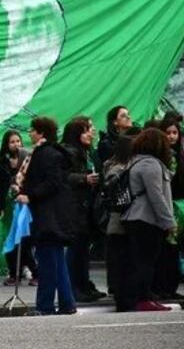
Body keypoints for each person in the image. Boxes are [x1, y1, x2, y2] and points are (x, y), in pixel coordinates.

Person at [17, 116, 77, 316]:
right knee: (58, 262)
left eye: (32, 130)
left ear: (41, 132)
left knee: (47, 263)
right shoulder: (54, 152)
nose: (30, 133)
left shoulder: (45, 154)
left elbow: (52, 182)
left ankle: (45, 306)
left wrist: (30, 195)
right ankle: (67, 303)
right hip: (55, 215)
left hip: (46, 216)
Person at [118, 127, 177, 312]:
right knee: (145, 262)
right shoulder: (150, 164)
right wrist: (169, 222)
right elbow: (156, 196)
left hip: (137, 217)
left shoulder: (137, 162)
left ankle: (144, 297)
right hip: (146, 219)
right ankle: (142, 298)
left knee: (141, 261)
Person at [61, 117, 103, 302]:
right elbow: (62, 177)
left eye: (91, 128)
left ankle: (84, 286)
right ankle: (73, 288)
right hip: (73, 208)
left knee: (84, 251)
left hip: (87, 207)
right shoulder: (68, 152)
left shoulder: (89, 152)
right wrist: (83, 179)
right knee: (75, 250)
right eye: (87, 129)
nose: (91, 133)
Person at [0, 129, 37, 286]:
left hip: (24, 204)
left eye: (18, 141)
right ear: (6, 144)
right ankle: (13, 273)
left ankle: (34, 271)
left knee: (24, 238)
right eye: (12, 142)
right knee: (10, 238)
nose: (16, 144)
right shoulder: (1, 162)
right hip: (8, 206)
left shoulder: (27, 159)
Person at [153, 117, 184, 301]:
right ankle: (160, 287)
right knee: (163, 250)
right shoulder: (159, 157)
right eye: (168, 133)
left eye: (175, 132)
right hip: (163, 208)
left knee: (174, 249)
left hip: (177, 207)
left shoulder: (181, 155)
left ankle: (170, 286)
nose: (172, 136)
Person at [102, 134, 133, 303]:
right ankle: (117, 287)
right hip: (119, 215)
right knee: (119, 253)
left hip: (116, 215)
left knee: (116, 253)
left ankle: (115, 286)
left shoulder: (110, 165)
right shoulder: (120, 168)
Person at [95, 105, 132, 171]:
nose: (128, 117)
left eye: (128, 114)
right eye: (123, 116)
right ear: (115, 122)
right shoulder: (106, 143)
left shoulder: (136, 137)